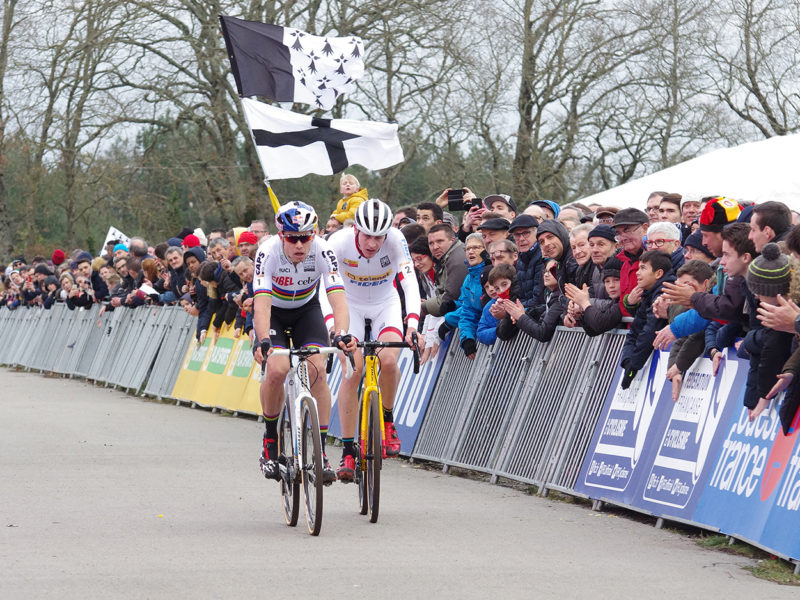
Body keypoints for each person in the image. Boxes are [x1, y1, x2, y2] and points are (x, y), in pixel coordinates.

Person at [252, 201, 355, 485]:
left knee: (317, 370)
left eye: (305, 237)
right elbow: (262, 304)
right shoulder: (267, 252)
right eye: (293, 238)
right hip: (274, 312)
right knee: (277, 369)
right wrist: (263, 339)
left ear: (314, 234)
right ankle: (270, 440)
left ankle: (320, 451)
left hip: (307, 311)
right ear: (281, 235)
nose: (299, 244)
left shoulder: (323, 250)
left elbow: (338, 297)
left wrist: (341, 332)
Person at [325, 199, 421, 481]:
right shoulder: (338, 242)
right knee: (352, 371)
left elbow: (409, 282)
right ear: (355, 229)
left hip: (384, 303)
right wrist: (333, 327)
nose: (372, 243)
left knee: (389, 361)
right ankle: (347, 450)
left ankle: (388, 421)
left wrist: (412, 325)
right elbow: (324, 285)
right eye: (367, 235)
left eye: (379, 237)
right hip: (348, 306)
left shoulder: (396, 239)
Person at [742, 243, 795, 421]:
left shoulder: (781, 313)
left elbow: (773, 348)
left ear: (773, 291)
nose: (756, 296)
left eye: (758, 292)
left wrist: (765, 394)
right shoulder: (775, 309)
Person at [618, 250, 676, 389]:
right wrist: (627, 360)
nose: (637, 273)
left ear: (658, 274)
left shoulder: (664, 293)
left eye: (643, 268)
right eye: (638, 268)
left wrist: (634, 365)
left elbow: (650, 331)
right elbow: (636, 328)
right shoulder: (648, 293)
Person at [423, 223, 467, 317]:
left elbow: (451, 298)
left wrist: (424, 308)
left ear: (452, 240)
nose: (435, 247)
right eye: (431, 243)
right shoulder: (445, 257)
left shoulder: (457, 260)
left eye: (440, 241)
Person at [477, 263, 516, 346]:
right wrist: (499, 331)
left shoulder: (517, 297)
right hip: (503, 349)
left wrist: (505, 319)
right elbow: (481, 333)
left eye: (491, 285)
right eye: (486, 287)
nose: (491, 289)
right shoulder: (489, 307)